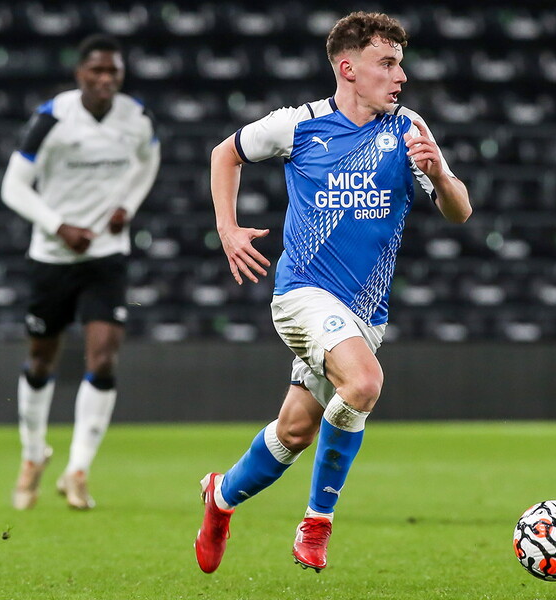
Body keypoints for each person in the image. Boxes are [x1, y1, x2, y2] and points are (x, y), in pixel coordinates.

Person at [194, 11, 471, 573]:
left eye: (401, 64)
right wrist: (227, 229)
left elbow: (460, 212)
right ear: (349, 68)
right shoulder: (299, 125)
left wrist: (440, 175)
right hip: (302, 296)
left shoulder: (409, 128)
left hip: (365, 313)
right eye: (387, 64)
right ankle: (317, 523)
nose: (401, 76)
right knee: (365, 383)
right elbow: (225, 152)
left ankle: (220, 498)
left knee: (295, 432)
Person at [0, 34, 160, 510]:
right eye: (97, 71)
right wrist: (57, 225)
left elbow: (149, 160)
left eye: (114, 72)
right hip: (52, 257)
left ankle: (77, 470)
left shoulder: (137, 118)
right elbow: (13, 186)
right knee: (42, 362)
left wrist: (126, 206)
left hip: (106, 256)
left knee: (104, 357)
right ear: (80, 74)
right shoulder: (52, 118)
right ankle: (33, 456)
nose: (106, 79)